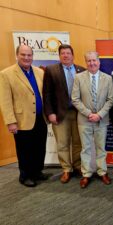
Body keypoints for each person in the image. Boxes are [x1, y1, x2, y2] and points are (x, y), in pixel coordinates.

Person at [0, 45, 48, 187]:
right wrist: (10, 122)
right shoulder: (6, 74)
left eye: (29, 55)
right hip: (21, 120)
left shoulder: (40, 72)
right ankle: (25, 175)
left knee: (40, 147)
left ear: (33, 56)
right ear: (17, 55)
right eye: (23, 55)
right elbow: (5, 100)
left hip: (40, 118)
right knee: (25, 149)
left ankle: (37, 171)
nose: (26, 58)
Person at [43, 44, 85, 183]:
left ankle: (77, 166)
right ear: (59, 55)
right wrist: (50, 113)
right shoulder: (51, 70)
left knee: (78, 143)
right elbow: (47, 94)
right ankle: (66, 169)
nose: (66, 55)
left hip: (79, 114)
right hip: (60, 114)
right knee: (62, 143)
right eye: (63, 53)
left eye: (68, 53)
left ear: (73, 55)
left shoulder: (82, 70)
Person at [72, 51, 113, 188]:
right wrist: (89, 113)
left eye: (94, 60)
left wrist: (99, 114)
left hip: (101, 120)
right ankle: (86, 174)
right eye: (89, 61)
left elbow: (110, 100)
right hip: (84, 120)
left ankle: (102, 172)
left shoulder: (108, 78)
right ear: (86, 62)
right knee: (86, 149)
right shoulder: (78, 77)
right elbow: (75, 99)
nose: (92, 63)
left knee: (101, 148)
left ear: (99, 61)